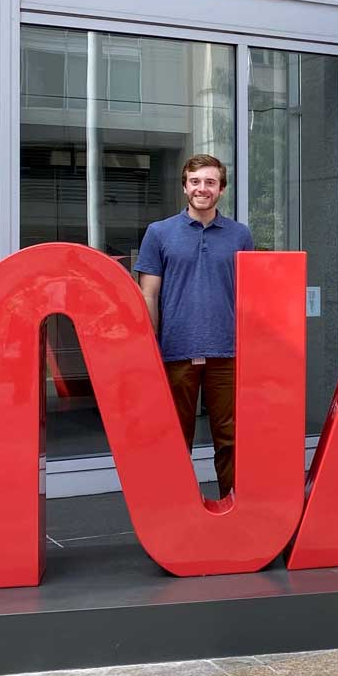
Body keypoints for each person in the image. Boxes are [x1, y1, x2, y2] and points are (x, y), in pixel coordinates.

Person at [135, 154, 254, 498]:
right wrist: (151, 349)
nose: (203, 188)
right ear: (185, 186)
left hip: (227, 352)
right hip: (176, 351)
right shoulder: (159, 234)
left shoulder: (239, 235)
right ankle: (172, 514)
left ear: (222, 189)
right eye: (196, 181)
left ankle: (235, 510)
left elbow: (248, 296)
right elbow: (149, 296)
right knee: (173, 438)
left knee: (231, 438)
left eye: (211, 182)